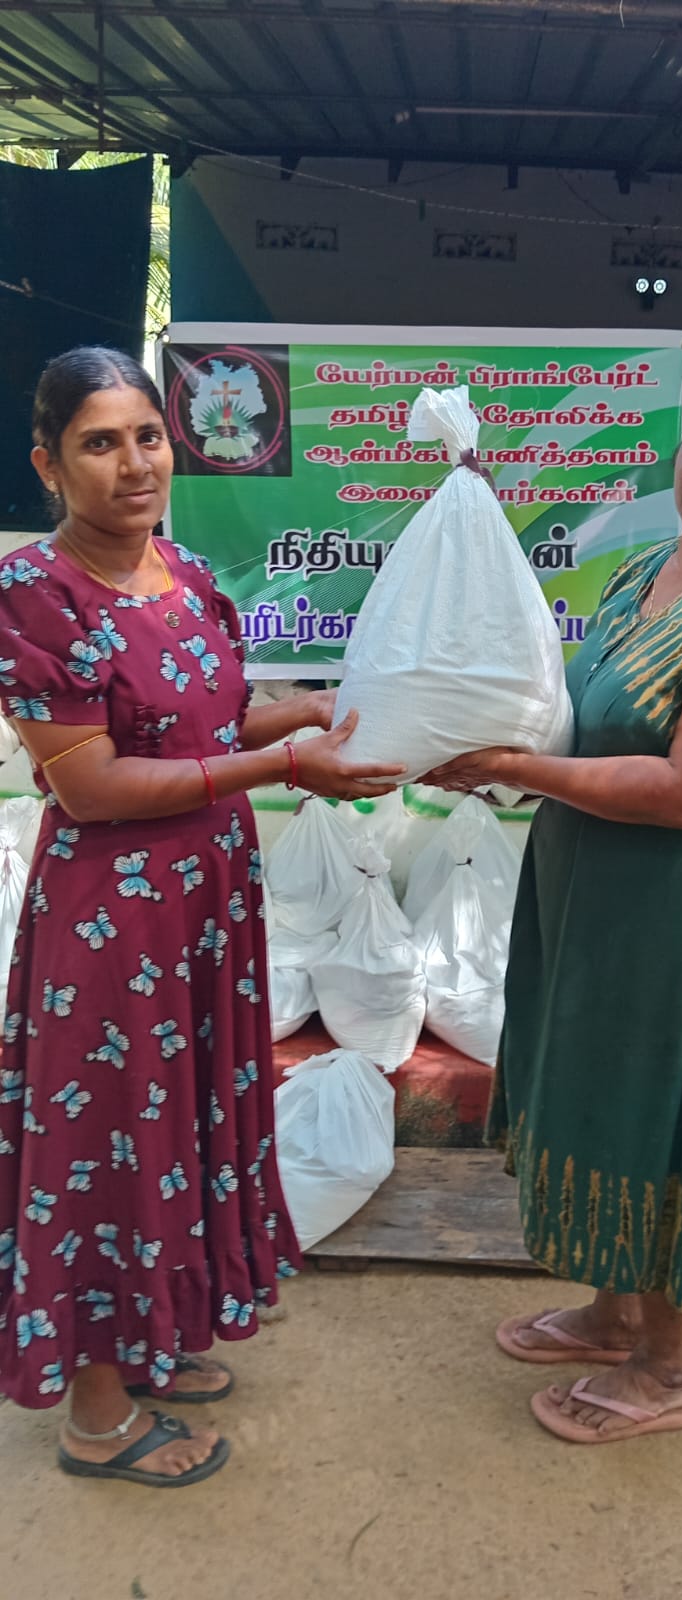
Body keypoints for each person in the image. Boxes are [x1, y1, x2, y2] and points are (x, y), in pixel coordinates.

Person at [0, 346, 402, 1486]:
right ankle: (95, 1417)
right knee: (106, 1145)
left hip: (205, 907)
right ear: (48, 464)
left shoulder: (181, 570)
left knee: (177, 1127)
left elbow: (210, 722)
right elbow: (93, 785)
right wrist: (281, 765)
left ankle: (150, 1338)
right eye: (99, 443)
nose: (134, 464)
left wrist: (309, 709)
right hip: (113, 923)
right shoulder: (36, 595)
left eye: (147, 437)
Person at [427, 360, 682, 1445]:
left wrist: (514, 768)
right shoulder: (656, 566)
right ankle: (615, 1315)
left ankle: (670, 1364)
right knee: (605, 1087)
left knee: (665, 1100)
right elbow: (583, 714)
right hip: (598, 878)